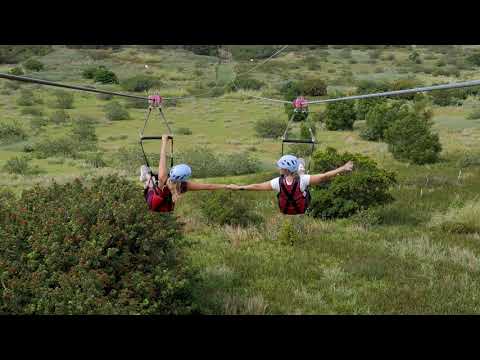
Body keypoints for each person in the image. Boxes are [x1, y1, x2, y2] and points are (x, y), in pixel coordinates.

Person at [229, 154, 354, 215]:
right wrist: (342, 168)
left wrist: (239, 187)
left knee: (300, 178)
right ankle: (300, 167)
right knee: (303, 179)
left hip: (285, 210)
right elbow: (324, 176)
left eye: (280, 167)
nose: (279, 169)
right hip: (301, 209)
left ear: (284, 170)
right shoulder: (303, 180)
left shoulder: (276, 182)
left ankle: (300, 167)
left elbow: (256, 187)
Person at [140, 135, 231, 212]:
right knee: (155, 180)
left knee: (153, 180)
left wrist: (164, 141)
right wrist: (227, 186)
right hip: (162, 206)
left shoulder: (163, 178)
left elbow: (162, 157)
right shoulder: (184, 186)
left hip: (154, 202)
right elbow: (208, 186)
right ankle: (148, 178)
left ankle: (147, 178)